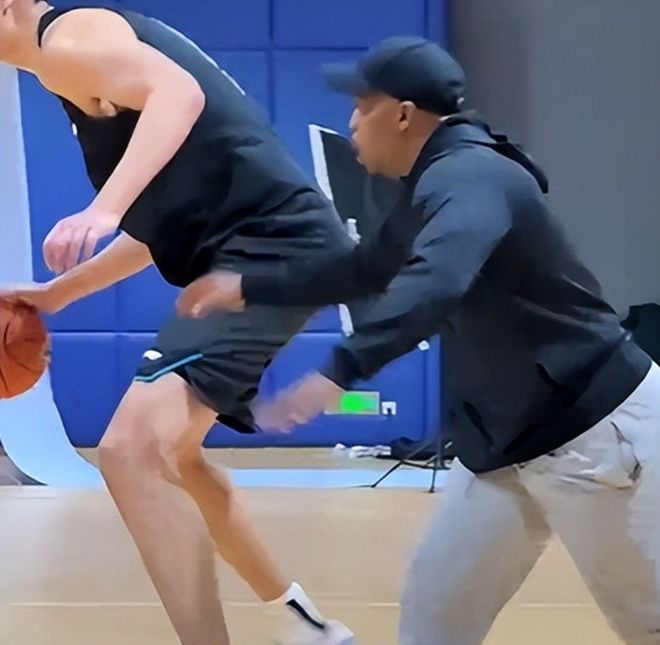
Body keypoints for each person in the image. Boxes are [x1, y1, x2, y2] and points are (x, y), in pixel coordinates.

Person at [178, 37, 660, 645]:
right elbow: (367, 269)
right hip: (500, 446)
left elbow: (436, 281)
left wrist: (339, 371)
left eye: (364, 105)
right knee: (435, 618)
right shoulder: (432, 179)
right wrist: (249, 286)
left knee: (648, 623)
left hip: (595, 436)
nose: (352, 121)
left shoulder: (474, 176)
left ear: (404, 115)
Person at [0, 2, 371, 643]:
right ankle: (305, 624)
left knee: (129, 451)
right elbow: (162, 226)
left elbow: (179, 93)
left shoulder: (68, 40)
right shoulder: (69, 65)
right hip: (262, 257)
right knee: (175, 457)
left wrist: (102, 208)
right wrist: (60, 292)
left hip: (273, 253)